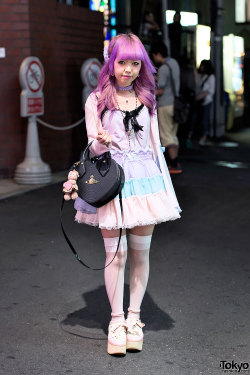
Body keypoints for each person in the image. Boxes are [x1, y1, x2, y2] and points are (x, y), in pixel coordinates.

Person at [66, 33, 181, 356]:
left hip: (145, 184)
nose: (128, 70)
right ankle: (116, 321)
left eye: (135, 63)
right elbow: (93, 146)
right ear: (110, 63)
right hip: (112, 183)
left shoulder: (148, 98)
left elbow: (155, 147)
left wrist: (166, 191)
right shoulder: (98, 99)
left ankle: (134, 318)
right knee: (116, 255)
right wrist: (102, 140)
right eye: (122, 62)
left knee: (141, 254)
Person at [151, 42, 182, 174]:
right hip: (175, 104)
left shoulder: (163, 68)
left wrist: (148, 93)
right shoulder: (174, 63)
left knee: (166, 136)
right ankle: (175, 162)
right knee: (173, 135)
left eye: (154, 56)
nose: (153, 59)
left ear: (158, 54)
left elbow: (161, 90)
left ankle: (174, 164)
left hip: (165, 104)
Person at [188, 59, 215, 146]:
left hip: (206, 101)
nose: (201, 67)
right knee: (194, 118)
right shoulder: (199, 74)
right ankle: (192, 136)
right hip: (198, 100)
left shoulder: (211, 77)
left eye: (203, 66)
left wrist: (200, 96)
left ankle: (204, 136)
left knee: (204, 119)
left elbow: (210, 91)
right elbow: (196, 85)